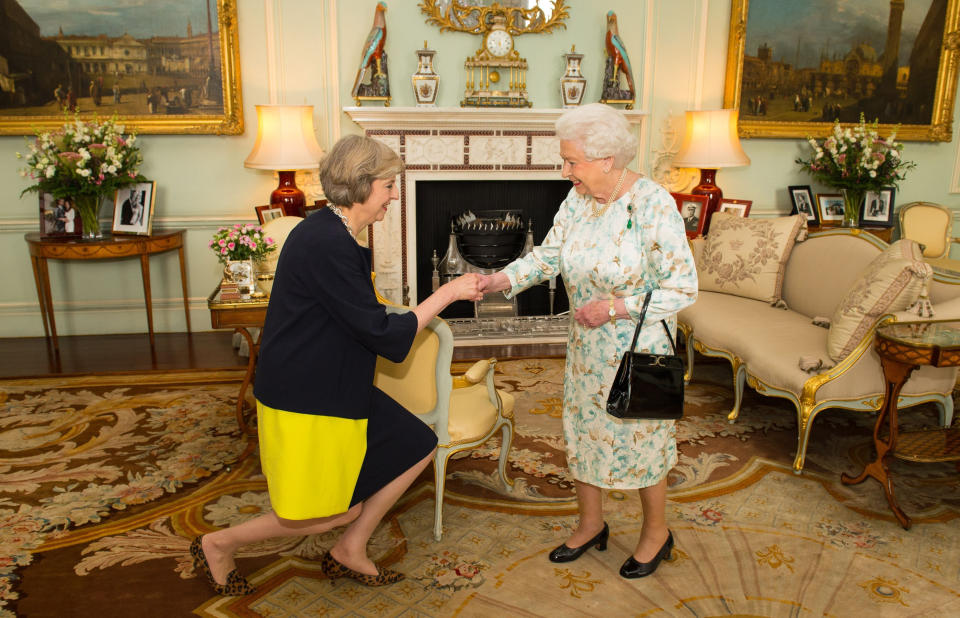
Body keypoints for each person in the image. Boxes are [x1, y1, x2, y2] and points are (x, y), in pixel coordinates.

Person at [191, 135, 485, 595]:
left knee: (417, 442)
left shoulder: (332, 232)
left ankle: (350, 549)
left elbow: (358, 311)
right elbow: (384, 336)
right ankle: (218, 543)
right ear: (363, 184)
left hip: (334, 377)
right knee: (333, 509)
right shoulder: (326, 241)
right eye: (389, 185)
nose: (394, 194)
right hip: (306, 392)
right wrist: (447, 294)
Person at [476, 103, 698, 579]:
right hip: (587, 348)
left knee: (642, 438)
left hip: (639, 349)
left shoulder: (653, 205)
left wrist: (613, 308)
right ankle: (591, 523)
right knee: (583, 431)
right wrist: (499, 280)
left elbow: (682, 286)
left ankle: (656, 532)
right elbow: (549, 256)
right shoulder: (577, 201)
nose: (565, 171)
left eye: (572, 161)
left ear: (606, 161)